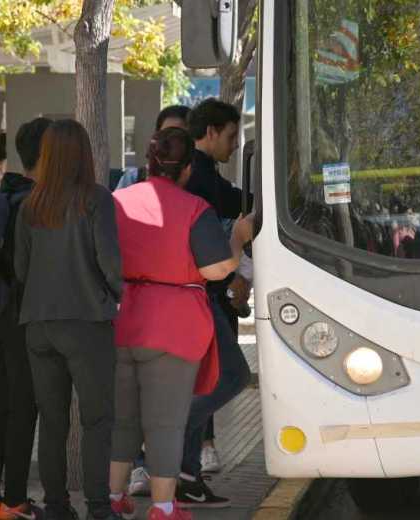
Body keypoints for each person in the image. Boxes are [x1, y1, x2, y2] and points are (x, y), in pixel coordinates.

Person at [109, 127, 254, 519]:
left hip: (121, 318)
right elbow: (218, 267)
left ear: (149, 163)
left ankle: (113, 499)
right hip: (173, 326)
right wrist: (238, 240)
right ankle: (163, 506)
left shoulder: (116, 201)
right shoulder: (193, 209)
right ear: (187, 168)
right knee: (166, 421)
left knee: (123, 418)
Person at [15, 119, 123, 520]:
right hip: (86, 321)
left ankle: (56, 506)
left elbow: (21, 269)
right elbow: (109, 260)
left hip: (38, 324)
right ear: (83, 153)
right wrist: (115, 295)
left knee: (53, 421)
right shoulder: (95, 199)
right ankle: (98, 506)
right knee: (97, 419)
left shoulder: (31, 205)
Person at [0, 118, 51, 520]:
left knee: (0, 403)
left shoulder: (6, 193)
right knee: (24, 406)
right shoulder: (36, 202)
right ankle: (14, 501)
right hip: (21, 316)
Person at [173, 98, 251, 509]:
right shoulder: (198, 180)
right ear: (209, 132)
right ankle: (176, 458)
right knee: (232, 376)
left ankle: (187, 475)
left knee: (213, 380)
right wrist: (236, 269)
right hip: (201, 298)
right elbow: (207, 248)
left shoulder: (206, 175)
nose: (235, 144)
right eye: (232, 135)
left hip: (199, 299)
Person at [116, 105, 191, 191]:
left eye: (178, 136)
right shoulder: (134, 178)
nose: (171, 141)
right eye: (165, 134)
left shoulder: (202, 181)